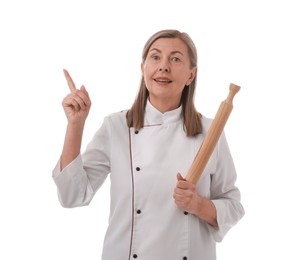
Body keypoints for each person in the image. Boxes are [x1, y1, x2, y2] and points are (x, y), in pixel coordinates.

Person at [52, 29, 244, 260]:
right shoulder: (116, 127)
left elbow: (232, 206)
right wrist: (75, 124)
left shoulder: (210, 132)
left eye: (175, 59)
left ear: (191, 75)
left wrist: (198, 205)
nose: (164, 66)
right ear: (143, 68)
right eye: (155, 57)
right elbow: (72, 195)